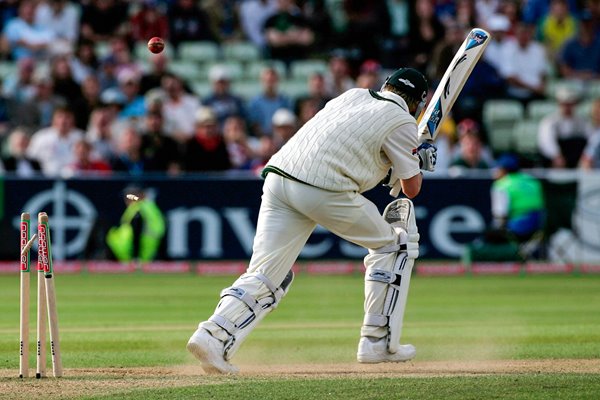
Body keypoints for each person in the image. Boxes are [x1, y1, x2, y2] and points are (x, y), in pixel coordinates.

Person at [186, 68, 437, 374]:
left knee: (266, 274)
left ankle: (211, 335)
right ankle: (378, 342)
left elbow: (356, 148)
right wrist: (421, 160)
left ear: (385, 85)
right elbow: (411, 189)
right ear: (418, 105)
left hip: (279, 176)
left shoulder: (353, 96)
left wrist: (404, 161)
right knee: (395, 245)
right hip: (324, 188)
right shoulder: (403, 121)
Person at [106, 187, 166, 263]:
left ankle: (133, 261)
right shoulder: (146, 205)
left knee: (113, 236)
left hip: (146, 241)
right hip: (152, 238)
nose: (126, 200)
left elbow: (137, 229)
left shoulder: (139, 207)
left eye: (128, 197)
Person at [537, 85, 591, 168]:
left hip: (576, 158)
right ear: (559, 103)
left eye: (570, 104)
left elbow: (591, 138)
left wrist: (587, 156)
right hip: (555, 158)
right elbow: (547, 141)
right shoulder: (550, 121)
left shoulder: (582, 121)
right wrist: (556, 156)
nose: (567, 107)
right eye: (565, 104)